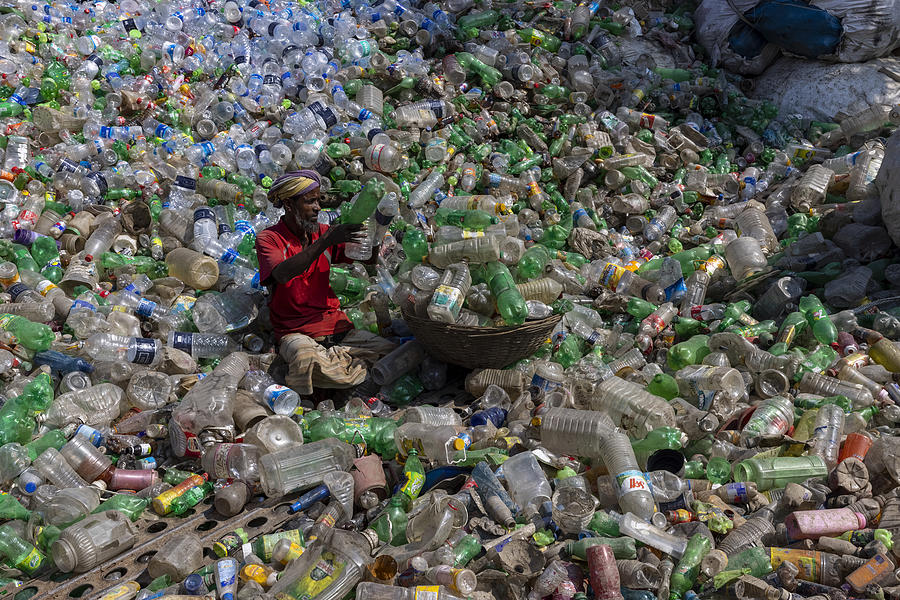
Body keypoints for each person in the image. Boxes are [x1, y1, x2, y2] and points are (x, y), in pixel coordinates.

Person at [256, 170, 395, 396]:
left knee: (392, 353)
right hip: (296, 333)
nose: (318, 208)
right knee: (305, 360)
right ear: (289, 205)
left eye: (319, 200)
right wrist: (327, 240)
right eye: (310, 201)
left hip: (336, 327)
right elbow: (281, 274)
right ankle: (343, 370)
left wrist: (376, 229)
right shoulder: (269, 238)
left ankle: (336, 367)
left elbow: (367, 258)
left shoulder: (322, 233)